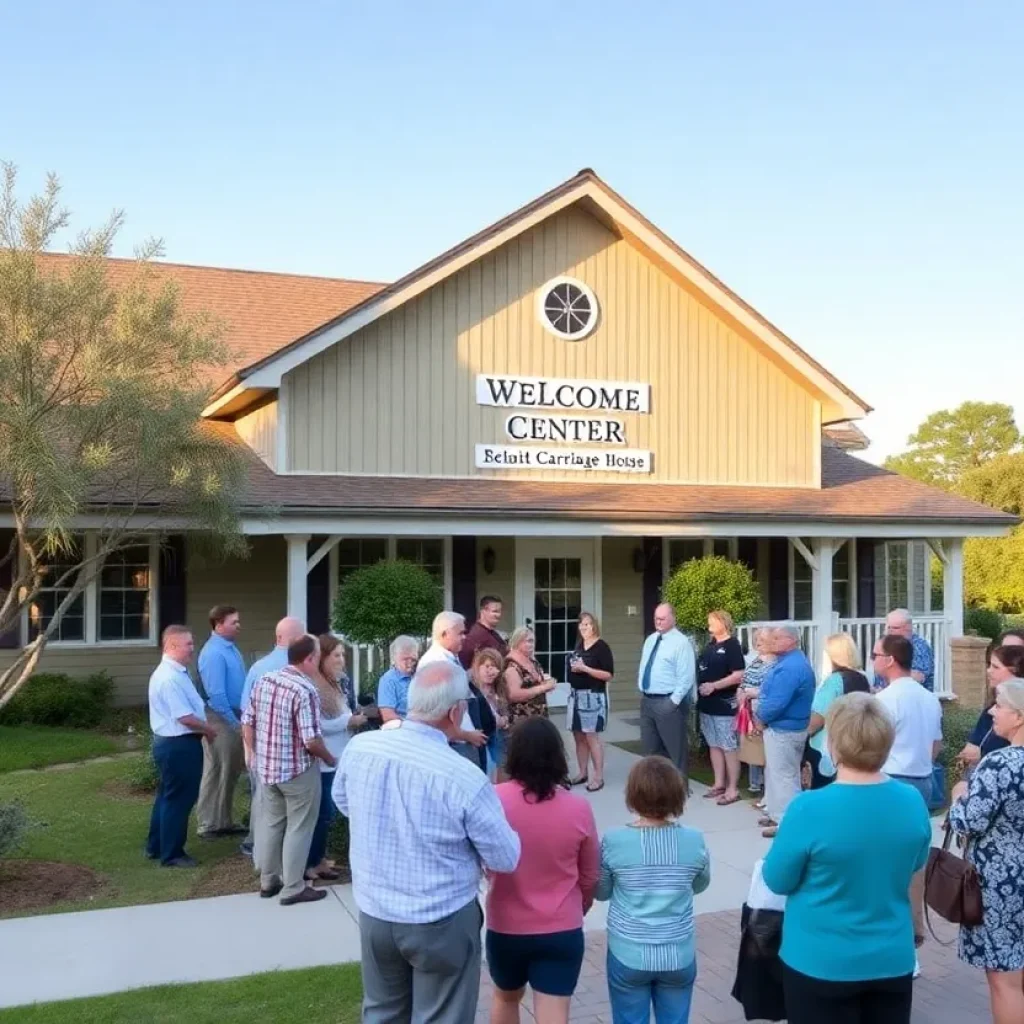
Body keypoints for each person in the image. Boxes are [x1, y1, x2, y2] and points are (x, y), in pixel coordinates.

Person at [333, 659, 521, 1024]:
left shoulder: (361, 749)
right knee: (442, 1016)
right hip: (440, 917)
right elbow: (505, 856)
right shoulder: (463, 776)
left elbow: (345, 804)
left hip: (376, 912)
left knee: (382, 1012)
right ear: (456, 711)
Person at [762, 692, 932, 1023]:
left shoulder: (808, 808)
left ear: (835, 746)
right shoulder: (911, 801)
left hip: (820, 960)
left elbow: (777, 878)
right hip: (890, 957)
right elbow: (916, 865)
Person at [487, 717, 600, 1024]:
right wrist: (581, 904)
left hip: (506, 924)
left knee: (504, 997)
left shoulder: (494, 800)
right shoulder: (578, 809)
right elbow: (590, 875)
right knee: (554, 1010)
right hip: (560, 925)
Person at [595, 756, 710, 1024]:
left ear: (632, 794)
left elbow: (602, 891)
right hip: (677, 952)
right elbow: (700, 884)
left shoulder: (614, 841)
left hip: (629, 951)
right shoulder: (694, 840)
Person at [949, 678, 1024, 1024]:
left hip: (1002, 885)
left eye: (1000, 705)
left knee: (1004, 979)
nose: (993, 711)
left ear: (1019, 715)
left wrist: (958, 796)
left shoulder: (999, 765)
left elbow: (969, 822)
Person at [242, 634, 337, 906]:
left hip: (267, 769)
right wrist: (330, 759)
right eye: (317, 657)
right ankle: (293, 887)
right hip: (297, 772)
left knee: (272, 823)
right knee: (299, 826)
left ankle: (268, 881)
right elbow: (311, 740)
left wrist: (254, 752)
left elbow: (247, 720)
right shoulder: (305, 690)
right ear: (309, 659)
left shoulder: (265, 680)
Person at [873, 633, 943, 960]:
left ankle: (898, 947)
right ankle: (911, 941)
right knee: (915, 865)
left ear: (890, 660)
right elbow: (936, 744)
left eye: (876, 655)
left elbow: (876, 745)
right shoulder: (928, 698)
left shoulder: (887, 699)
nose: (873, 660)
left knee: (886, 867)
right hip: (924, 781)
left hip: (893, 781)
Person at [145, 626, 218, 868]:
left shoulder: (176, 672)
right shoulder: (168, 678)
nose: (192, 648)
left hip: (176, 743)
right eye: (187, 644)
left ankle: (156, 846)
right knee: (179, 799)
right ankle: (172, 854)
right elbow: (184, 717)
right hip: (179, 745)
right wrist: (208, 730)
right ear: (172, 646)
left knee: (167, 796)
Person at [238, 616, 306, 858]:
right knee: (292, 806)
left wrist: (250, 750)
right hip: (292, 749)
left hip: (263, 744)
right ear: (299, 638)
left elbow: (246, 713)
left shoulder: (259, 668)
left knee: (263, 799)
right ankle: (280, 851)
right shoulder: (303, 667)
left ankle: (257, 846)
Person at [305, 634, 365, 882]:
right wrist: (349, 721)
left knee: (328, 814)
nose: (342, 660)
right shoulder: (316, 686)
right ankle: (311, 863)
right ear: (323, 658)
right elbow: (318, 725)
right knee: (322, 814)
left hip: (341, 755)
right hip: (325, 759)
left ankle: (319, 858)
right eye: (336, 655)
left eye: (343, 655)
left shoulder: (335, 683)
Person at [754, 626, 815, 838]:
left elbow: (776, 703)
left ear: (791, 640)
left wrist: (760, 717)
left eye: (777, 637)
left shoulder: (790, 667)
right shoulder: (788, 662)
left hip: (785, 729)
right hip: (783, 728)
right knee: (774, 773)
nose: (772, 640)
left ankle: (788, 824)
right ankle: (774, 812)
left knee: (785, 777)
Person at [196, 605, 247, 839]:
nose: (239, 626)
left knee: (231, 769)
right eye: (233, 622)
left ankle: (223, 821)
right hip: (219, 718)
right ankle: (208, 824)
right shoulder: (213, 653)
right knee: (217, 768)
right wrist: (235, 724)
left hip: (234, 715)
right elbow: (216, 695)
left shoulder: (230, 648)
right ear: (218, 624)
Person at [637, 603, 696, 780]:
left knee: (675, 751)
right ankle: (657, 789)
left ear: (673, 619)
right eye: (656, 618)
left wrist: (673, 702)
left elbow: (686, 677)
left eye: (662, 618)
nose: (658, 622)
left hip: (668, 701)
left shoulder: (681, 643)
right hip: (648, 700)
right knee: (650, 751)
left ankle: (680, 790)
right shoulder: (651, 640)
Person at [805, 632, 870, 789]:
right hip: (854, 743)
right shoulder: (863, 678)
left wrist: (804, 733)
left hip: (827, 749)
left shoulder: (833, 682)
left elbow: (818, 718)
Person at [696, 610, 746, 805]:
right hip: (707, 704)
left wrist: (714, 686)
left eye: (712, 620)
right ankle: (719, 783)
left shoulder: (732, 645)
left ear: (723, 623)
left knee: (728, 745)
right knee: (714, 744)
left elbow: (738, 674)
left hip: (724, 703)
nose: (709, 623)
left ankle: (732, 789)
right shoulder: (710, 645)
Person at [567, 611, 614, 793]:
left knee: (591, 736)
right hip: (575, 696)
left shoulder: (601, 647)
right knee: (578, 736)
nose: (584, 627)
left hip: (593, 697)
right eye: (581, 624)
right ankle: (582, 773)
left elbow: (608, 675)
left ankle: (598, 776)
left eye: (587, 624)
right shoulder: (579, 645)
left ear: (594, 625)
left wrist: (585, 668)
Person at [959, 641, 1024, 770]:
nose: (988, 671)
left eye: (996, 667)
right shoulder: (990, 709)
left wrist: (983, 755)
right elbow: (972, 746)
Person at [737, 628, 774, 796]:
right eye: (756, 638)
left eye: (762, 639)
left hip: (763, 708)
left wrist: (753, 693)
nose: (758, 641)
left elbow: (772, 689)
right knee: (752, 745)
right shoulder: (755, 660)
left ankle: (767, 785)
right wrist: (740, 692)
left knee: (765, 748)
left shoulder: (775, 662)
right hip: (749, 709)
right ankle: (754, 784)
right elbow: (744, 680)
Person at [503, 626, 557, 727]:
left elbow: (536, 683)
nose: (532, 645)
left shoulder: (532, 660)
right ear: (518, 641)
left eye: (533, 641)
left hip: (539, 717)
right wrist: (542, 688)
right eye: (528, 641)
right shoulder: (512, 665)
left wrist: (548, 684)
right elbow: (514, 695)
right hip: (523, 721)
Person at [876, 609, 934, 691]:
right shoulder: (883, 645)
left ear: (908, 628)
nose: (890, 631)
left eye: (895, 628)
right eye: (888, 627)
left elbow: (918, 677)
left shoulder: (919, 647)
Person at [470, 647, 507, 776]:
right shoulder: (471, 689)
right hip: (477, 738)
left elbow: (505, 715)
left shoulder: (498, 689)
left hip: (494, 737)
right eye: (487, 666)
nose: (490, 671)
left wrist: (503, 720)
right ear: (478, 667)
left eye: (494, 667)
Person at [377, 635, 420, 723]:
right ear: (394, 659)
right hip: (403, 730)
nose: (410, 663)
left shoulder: (421, 675)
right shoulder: (388, 680)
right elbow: (388, 716)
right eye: (405, 659)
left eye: (413, 659)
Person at [460, 594, 508, 668]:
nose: (498, 615)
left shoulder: (493, 633)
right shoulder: (475, 635)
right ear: (483, 612)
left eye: (500, 611)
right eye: (495, 611)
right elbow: (465, 661)